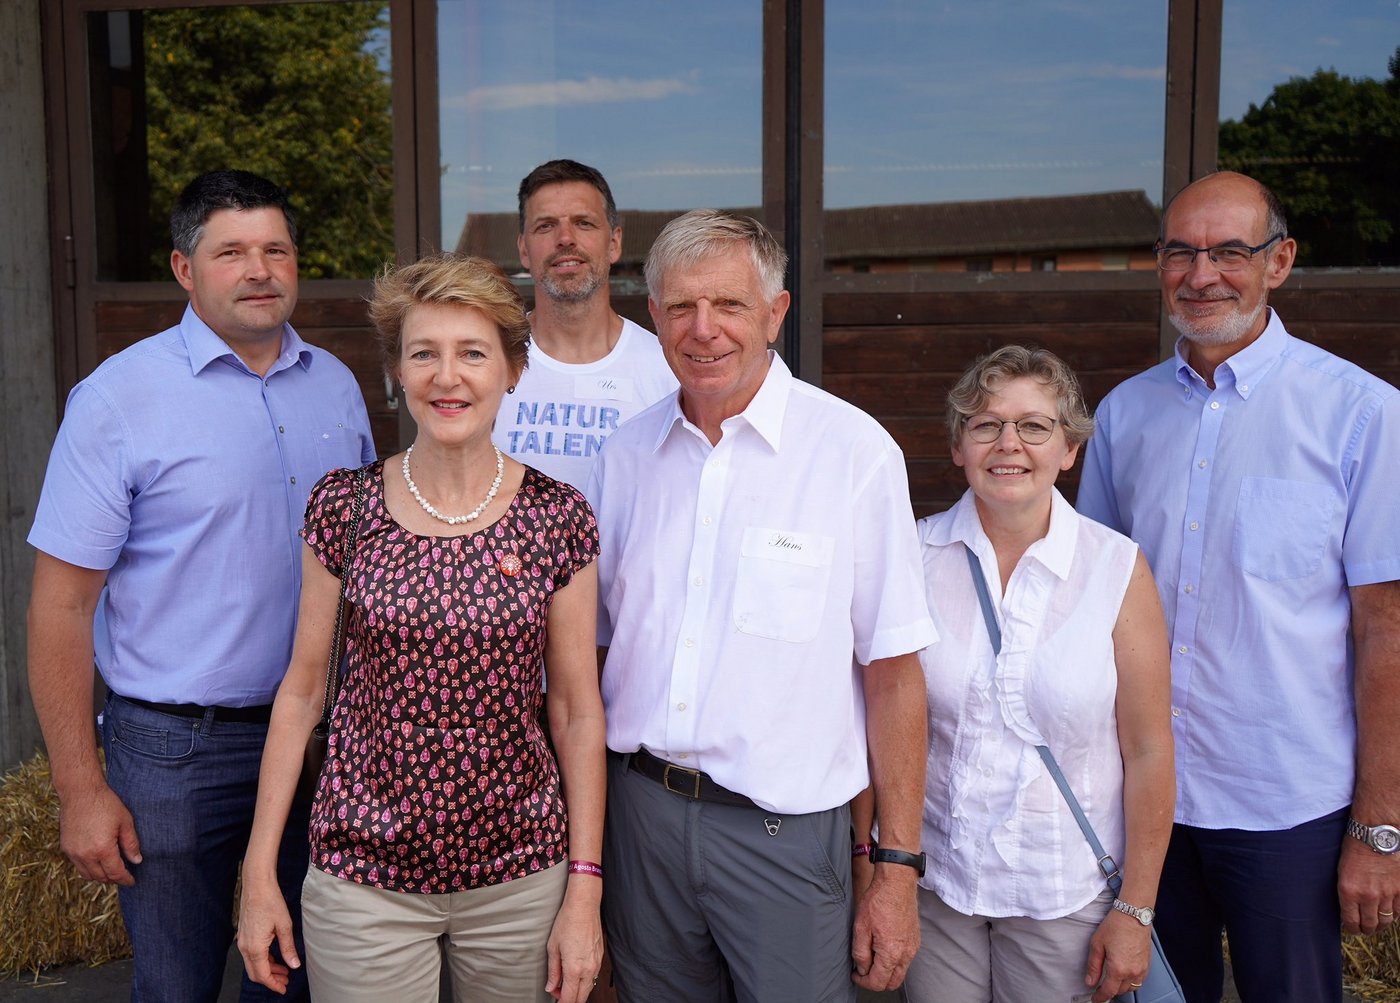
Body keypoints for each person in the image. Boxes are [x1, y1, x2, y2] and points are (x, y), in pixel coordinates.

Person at [25, 169, 375, 1002]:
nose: (259, 269)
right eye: (232, 253)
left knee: (296, 980)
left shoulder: (336, 383)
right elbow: (60, 606)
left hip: (321, 739)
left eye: (275, 249)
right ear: (186, 270)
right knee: (177, 984)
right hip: (178, 751)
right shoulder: (118, 399)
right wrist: (80, 789)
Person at [587, 209, 937, 1001]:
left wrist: (896, 869)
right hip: (641, 819)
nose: (702, 329)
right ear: (654, 316)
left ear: (776, 312)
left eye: (729, 305)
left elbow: (893, 673)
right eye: (680, 307)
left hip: (783, 839)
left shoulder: (852, 452)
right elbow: (595, 652)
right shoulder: (624, 457)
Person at [237, 253, 606, 1003]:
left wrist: (585, 889)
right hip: (363, 880)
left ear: (511, 370)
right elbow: (303, 692)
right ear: (396, 373)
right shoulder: (344, 507)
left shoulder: (557, 516)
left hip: (519, 878)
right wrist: (258, 873)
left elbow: (575, 709)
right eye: (423, 353)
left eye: (473, 353)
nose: (448, 376)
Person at [1077, 170, 1400, 1003]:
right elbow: (1089, 606)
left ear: (1280, 260)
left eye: (1229, 250)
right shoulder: (1122, 416)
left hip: (1285, 803)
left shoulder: (1362, 415)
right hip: (1143, 805)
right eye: (1180, 251)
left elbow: (1386, 631)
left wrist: (1379, 828)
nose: (1201, 273)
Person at [903, 345, 1174, 1003]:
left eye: (1034, 425)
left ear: (1070, 449)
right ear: (959, 446)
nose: (1009, 443)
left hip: (1065, 896)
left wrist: (1135, 911)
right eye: (986, 423)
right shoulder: (914, 553)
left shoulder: (1116, 568)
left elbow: (1148, 750)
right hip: (939, 891)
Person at [493, 159, 677, 491]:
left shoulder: (666, 369)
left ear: (615, 242)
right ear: (523, 247)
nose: (565, 238)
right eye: (546, 226)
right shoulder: (487, 362)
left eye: (584, 223)